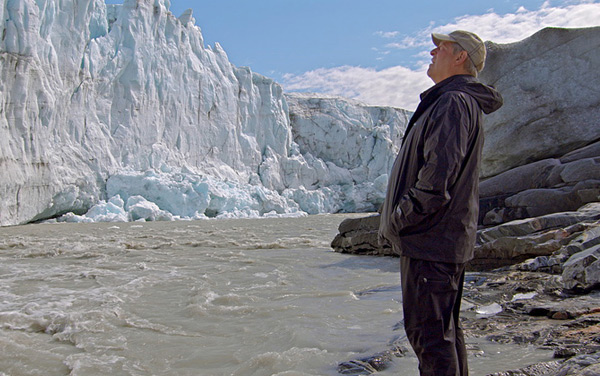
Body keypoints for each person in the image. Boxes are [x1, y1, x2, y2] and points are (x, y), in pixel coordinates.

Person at [378, 30, 503, 376]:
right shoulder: (455, 101)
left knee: (430, 338)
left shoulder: (452, 102)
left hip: (431, 240)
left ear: (461, 56)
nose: (433, 52)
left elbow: (436, 180)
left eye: (441, 47)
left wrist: (398, 221)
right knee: (443, 334)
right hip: (440, 239)